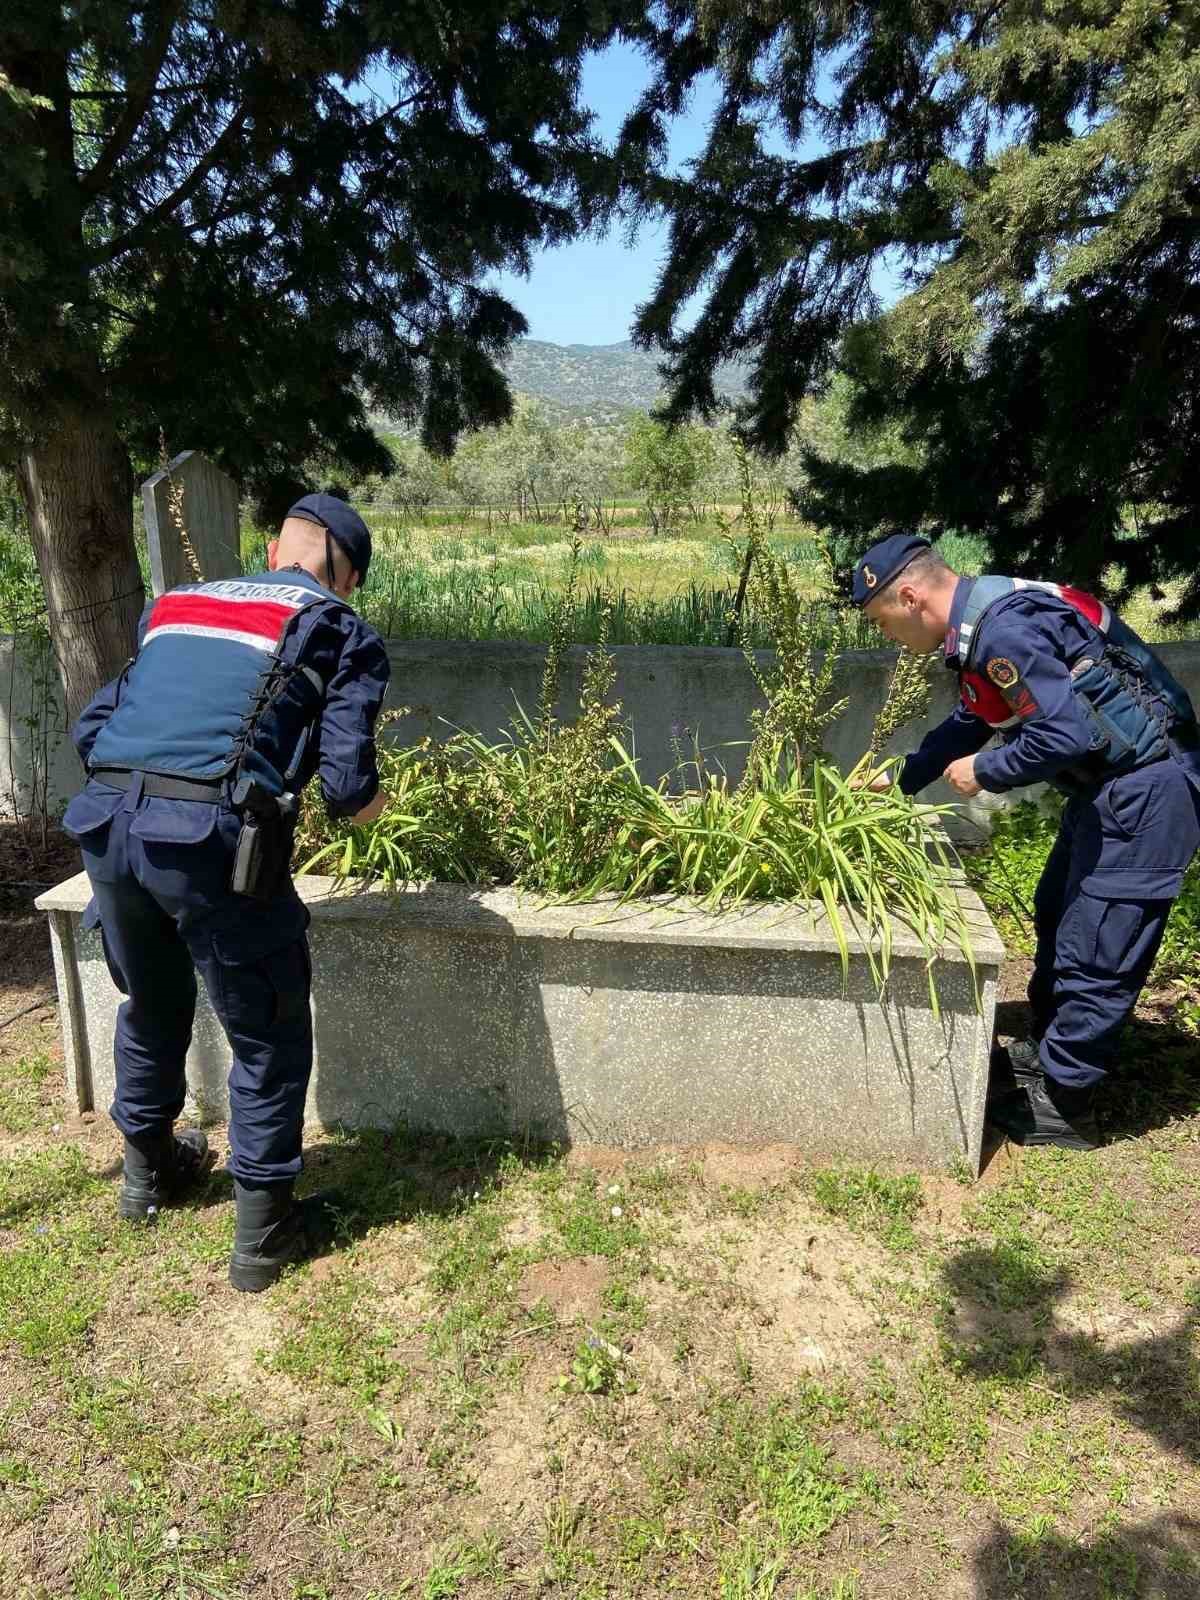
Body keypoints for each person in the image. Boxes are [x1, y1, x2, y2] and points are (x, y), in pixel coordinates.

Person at [62, 494, 390, 1289]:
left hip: (107, 823)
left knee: (153, 998)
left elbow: (93, 728)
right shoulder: (339, 627)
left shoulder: (178, 605)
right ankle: (266, 1229)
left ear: (275, 549)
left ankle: (148, 1178)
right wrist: (375, 807)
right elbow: (348, 786)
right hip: (206, 840)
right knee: (268, 1027)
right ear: (343, 574)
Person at [851, 535, 1200, 1150]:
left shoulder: (1002, 632)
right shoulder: (984, 623)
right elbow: (974, 718)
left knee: (1099, 943)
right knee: (1059, 914)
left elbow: (1065, 737)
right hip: (1109, 793)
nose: (890, 639)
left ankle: (1067, 1106)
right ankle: (1049, 1056)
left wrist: (985, 772)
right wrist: (903, 775)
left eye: (884, 623)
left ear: (909, 597)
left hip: (1147, 793)